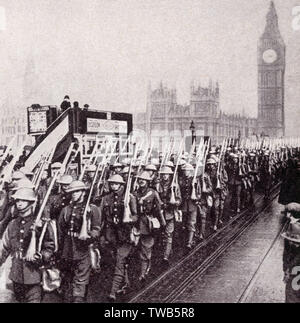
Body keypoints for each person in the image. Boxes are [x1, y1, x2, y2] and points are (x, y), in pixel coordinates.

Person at [0, 188, 55, 303]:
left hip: (34, 275)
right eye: (17, 201)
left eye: (23, 201)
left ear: (31, 203)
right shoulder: (13, 224)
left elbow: (50, 247)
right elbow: (4, 247)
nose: (19, 203)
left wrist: (40, 256)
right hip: (16, 275)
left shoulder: (41, 225)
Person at [57, 180, 101, 303]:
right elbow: (61, 231)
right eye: (72, 192)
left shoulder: (93, 209)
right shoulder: (66, 210)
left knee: (80, 281)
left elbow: (97, 229)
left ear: (83, 192)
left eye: (77, 191)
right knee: (68, 280)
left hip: (84, 249)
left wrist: (89, 236)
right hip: (68, 249)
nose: (74, 194)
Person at [99, 174, 137, 301]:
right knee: (116, 261)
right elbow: (102, 219)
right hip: (111, 236)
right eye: (112, 184)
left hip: (124, 236)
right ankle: (125, 283)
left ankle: (113, 291)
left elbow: (136, 216)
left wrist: (128, 218)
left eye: (116, 184)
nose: (113, 186)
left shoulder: (129, 197)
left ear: (121, 185)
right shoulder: (106, 199)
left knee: (119, 261)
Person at [134, 171, 165, 282]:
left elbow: (159, 207)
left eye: (144, 180)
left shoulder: (153, 193)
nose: (141, 181)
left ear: (148, 181)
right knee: (136, 248)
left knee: (146, 248)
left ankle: (144, 272)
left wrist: (162, 223)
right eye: (140, 179)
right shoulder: (134, 193)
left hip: (148, 224)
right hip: (136, 223)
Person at [157, 166, 181, 264]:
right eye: (163, 174)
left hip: (170, 213)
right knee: (159, 235)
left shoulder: (174, 186)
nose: (165, 176)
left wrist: (175, 202)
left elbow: (179, 199)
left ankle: (166, 256)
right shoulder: (158, 186)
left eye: (166, 174)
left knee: (169, 235)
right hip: (159, 214)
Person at [282, 202, 300, 303]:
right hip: (294, 269)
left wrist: (287, 269)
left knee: (292, 296)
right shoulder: (292, 225)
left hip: (295, 270)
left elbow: (289, 252)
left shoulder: (294, 227)